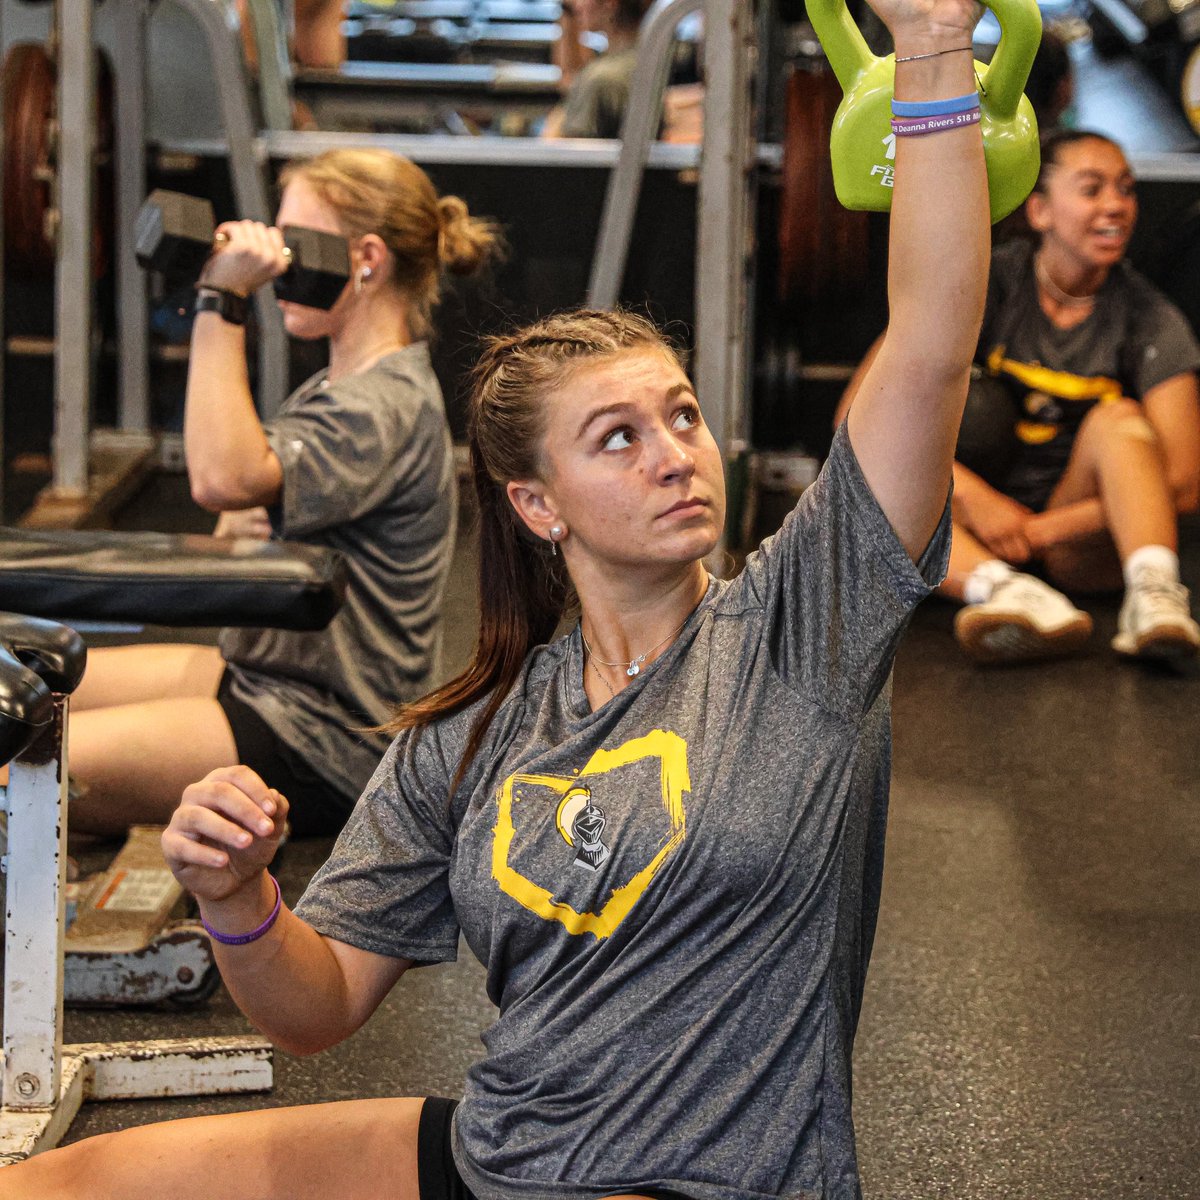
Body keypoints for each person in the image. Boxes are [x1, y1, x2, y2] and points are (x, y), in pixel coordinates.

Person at [3, 0, 991, 1193]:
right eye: (618, 439)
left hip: (699, 1180)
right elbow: (314, 1012)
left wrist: (934, 45)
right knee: (58, 1182)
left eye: (682, 415)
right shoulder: (468, 733)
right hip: (503, 1148)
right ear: (538, 506)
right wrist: (238, 892)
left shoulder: (799, 634)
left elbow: (931, 342)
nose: (676, 452)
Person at [61, 149, 501, 838]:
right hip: (260, 678)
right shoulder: (338, 390)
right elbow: (229, 519)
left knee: (13, 763)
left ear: (365, 258)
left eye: (291, 247)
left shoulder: (383, 405)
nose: (273, 266)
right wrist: (245, 505)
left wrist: (221, 295)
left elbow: (220, 480)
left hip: (316, 736)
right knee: (29, 691)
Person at [839, 130, 1200, 666]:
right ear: (1040, 212)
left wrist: (1039, 530)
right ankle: (1005, 592)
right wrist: (978, 501)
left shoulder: (1150, 319)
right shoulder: (982, 286)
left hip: (1077, 540)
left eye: (1126, 190)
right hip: (966, 529)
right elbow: (854, 419)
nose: (1117, 206)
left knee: (1119, 422)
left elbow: (1185, 486)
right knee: (869, 469)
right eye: (1092, 188)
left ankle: (1155, 597)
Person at [543, 0, 653, 139]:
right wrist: (567, 11)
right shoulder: (654, 55)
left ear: (610, 3)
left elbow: (564, 154)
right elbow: (572, 78)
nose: (577, 5)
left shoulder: (601, 78)